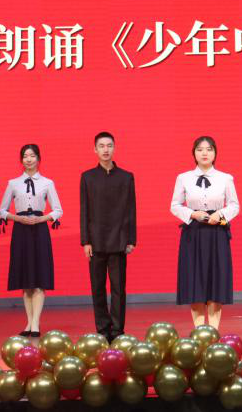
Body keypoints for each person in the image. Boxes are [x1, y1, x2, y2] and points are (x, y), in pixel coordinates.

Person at [171, 136, 240, 329]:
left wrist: (220, 214)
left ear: (215, 153)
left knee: (216, 280)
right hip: (193, 233)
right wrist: (192, 214)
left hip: (217, 232)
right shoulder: (183, 178)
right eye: (200, 149)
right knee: (196, 281)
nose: (204, 153)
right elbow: (175, 205)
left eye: (209, 149)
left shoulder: (225, 178)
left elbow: (234, 205)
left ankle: (214, 332)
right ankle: (199, 331)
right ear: (194, 153)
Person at [0, 144, 63, 336]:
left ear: (38, 158)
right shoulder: (13, 183)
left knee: (39, 278)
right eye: (25, 156)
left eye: (32, 156)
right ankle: (29, 322)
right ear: (21, 160)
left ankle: (36, 323)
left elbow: (58, 210)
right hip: (21, 231)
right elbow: (2, 211)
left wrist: (41, 219)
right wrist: (17, 218)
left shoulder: (47, 183)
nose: (29, 159)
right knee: (26, 280)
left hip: (39, 231)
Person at [79, 133, 136, 340]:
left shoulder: (126, 177)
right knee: (97, 288)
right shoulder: (88, 177)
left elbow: (131, 209)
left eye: (109, 145)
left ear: (114, 148)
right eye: (101, 146)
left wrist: (131, 239)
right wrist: (85, 241)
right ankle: (102, 330)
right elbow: (84, 210)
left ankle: (118, 330)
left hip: (119, 240)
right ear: (95, 149)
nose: (105, 149)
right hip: (95, 241)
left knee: (118, 288)